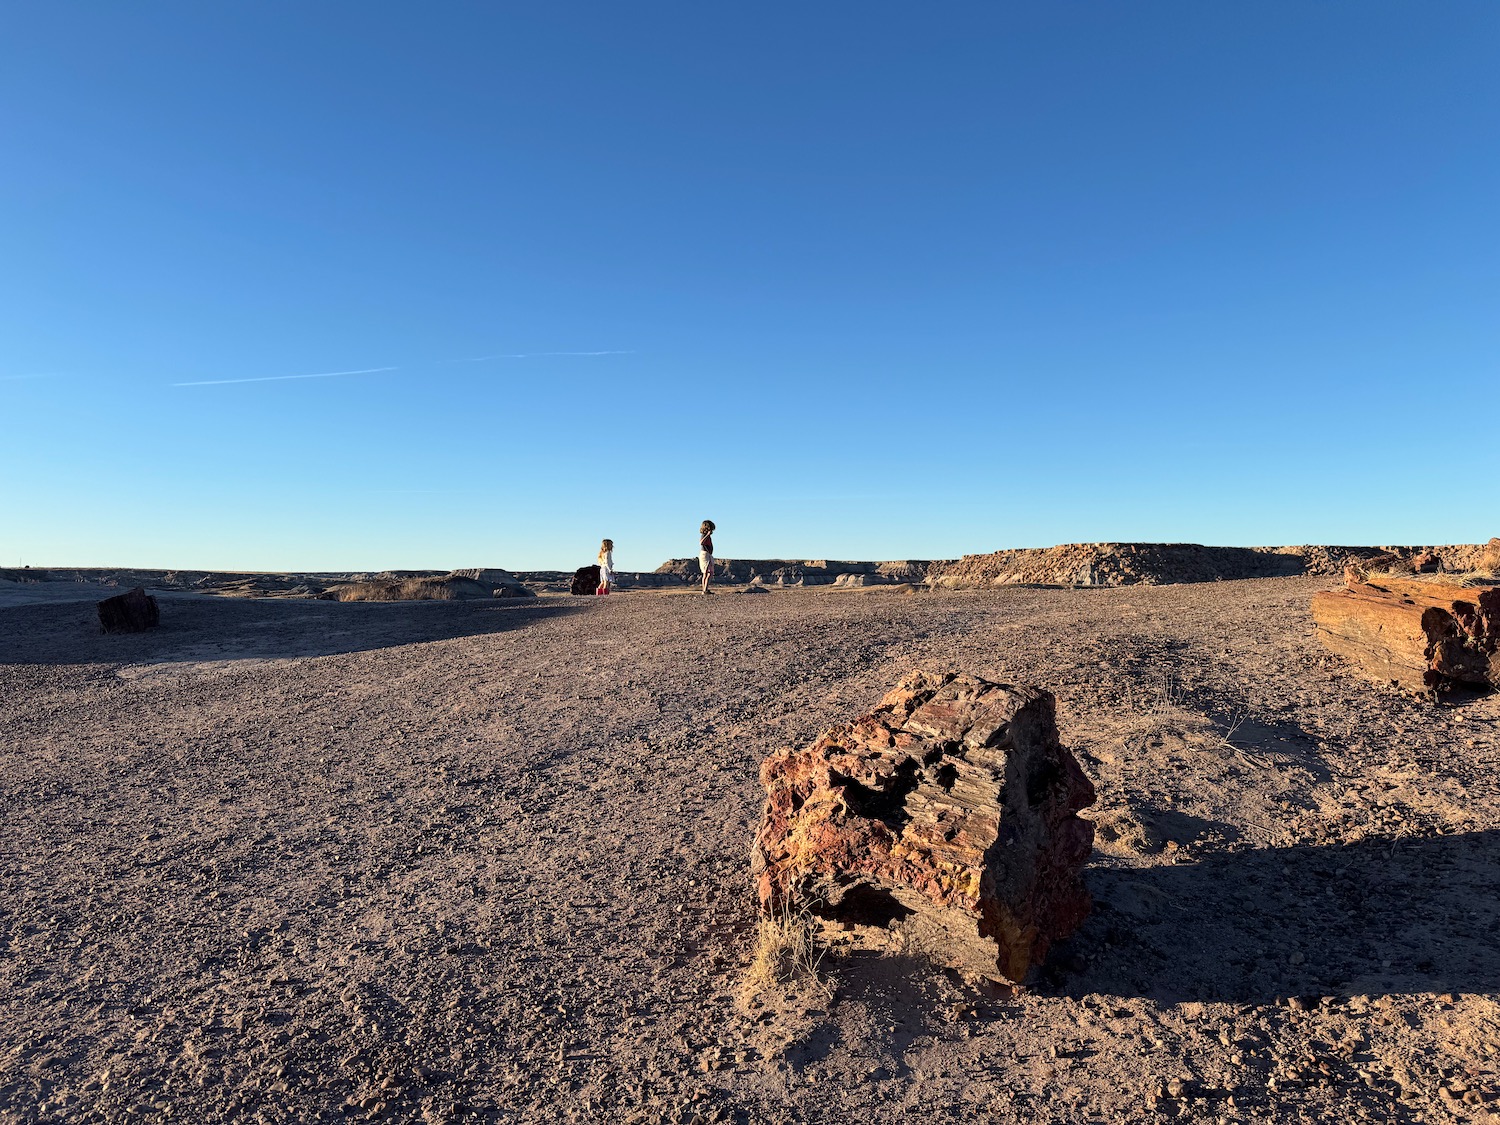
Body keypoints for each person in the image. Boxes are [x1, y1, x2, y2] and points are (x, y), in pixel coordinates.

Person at [698, 520, 716, 595]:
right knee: (709, 572)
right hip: (705, 555)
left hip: (707, 554)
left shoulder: (706, 536)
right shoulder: (704, 535)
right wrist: (708, 535)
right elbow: (701, 542)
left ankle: (705, 589)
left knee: (706, 573)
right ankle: (705, 590)